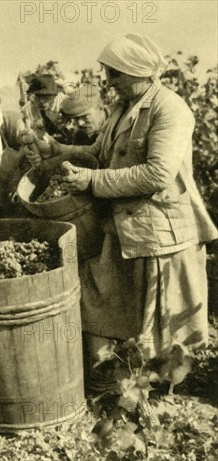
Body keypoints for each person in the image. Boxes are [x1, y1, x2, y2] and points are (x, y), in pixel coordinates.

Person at [32, 34, 218, 367]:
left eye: (115, 74)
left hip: (158, 233)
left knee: (160, 326)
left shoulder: (170, 109)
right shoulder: (124, 108)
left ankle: (152, 393)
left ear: (139, 71)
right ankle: (119, 381)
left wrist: (92, 180)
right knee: (103, 306)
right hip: (123, 226)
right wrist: (58, 151)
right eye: (108, 73)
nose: (109, 83)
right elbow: (97, 152)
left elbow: (157, 174)